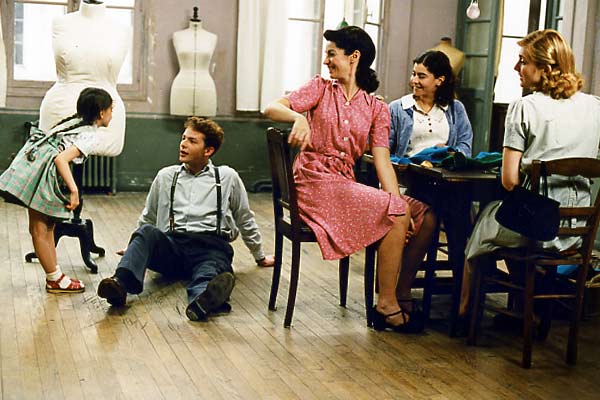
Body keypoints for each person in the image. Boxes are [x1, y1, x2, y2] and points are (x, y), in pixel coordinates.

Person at [264, 26, 434, 332]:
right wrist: (298, 117)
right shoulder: (319, 88)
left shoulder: (376, 108)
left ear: (354, 57)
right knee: (398, 212)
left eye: (332, 54)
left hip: (343, 184)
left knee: (408, 210)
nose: (326, 60)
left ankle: (393, 297)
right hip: (313, 182)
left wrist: (396, 201)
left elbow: (382, 161)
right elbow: (271, 108)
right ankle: (388, 305)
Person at [459, 29, 600, 317]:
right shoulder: (595, 107)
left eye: (523, 61)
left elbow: (509, 181)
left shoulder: (524, 107)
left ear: (547, 68)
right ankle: (528, 305)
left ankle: (465, 312)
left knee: (484, 223)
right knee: (503, 219)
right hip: (577, 230)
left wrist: (523, 165)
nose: (516, 67)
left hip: (536, 226)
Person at [97, 117, 275, 321]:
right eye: (183, 138)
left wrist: (259, 256)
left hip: (210, 248)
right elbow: (148, 217)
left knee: (210, 270)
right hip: (173, 247)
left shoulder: (227, 177)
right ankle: (119, 285)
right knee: (146, 232)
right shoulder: (166, 176)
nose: (183, 144)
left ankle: (202, 301)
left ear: (208, 150)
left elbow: (244, 217)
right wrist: (135, 248)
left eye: (192, 141)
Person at [0, 87, 114, 293]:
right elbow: (60, 159)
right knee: (40, 228)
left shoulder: (73, 122)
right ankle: (54, 278)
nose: (112, 114)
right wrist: (74, 190)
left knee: (46, 226)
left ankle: (55, 275)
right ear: (101, 113)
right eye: (111, 109)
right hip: (43, 171)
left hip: (36, 164)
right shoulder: (90, 135)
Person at [39, 0, 131, 157]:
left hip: (105, 111)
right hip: (59, 108)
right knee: (54, 160)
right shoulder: (60, 22)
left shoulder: (122, 29)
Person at [389, 50, 473, 159]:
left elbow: (465, 146)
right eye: (413, 74)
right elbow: (385, 150)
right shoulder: (397, 108)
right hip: (408, 169)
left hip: (443, 169)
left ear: (440, 80)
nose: (414, 80)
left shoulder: (455, 108)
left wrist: (449, 152)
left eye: (421, 76)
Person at [170, 8, 218, 116]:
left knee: (203, 124)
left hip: (205, 85)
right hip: (182, 85)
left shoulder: (212, 37)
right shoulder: (178, 36)